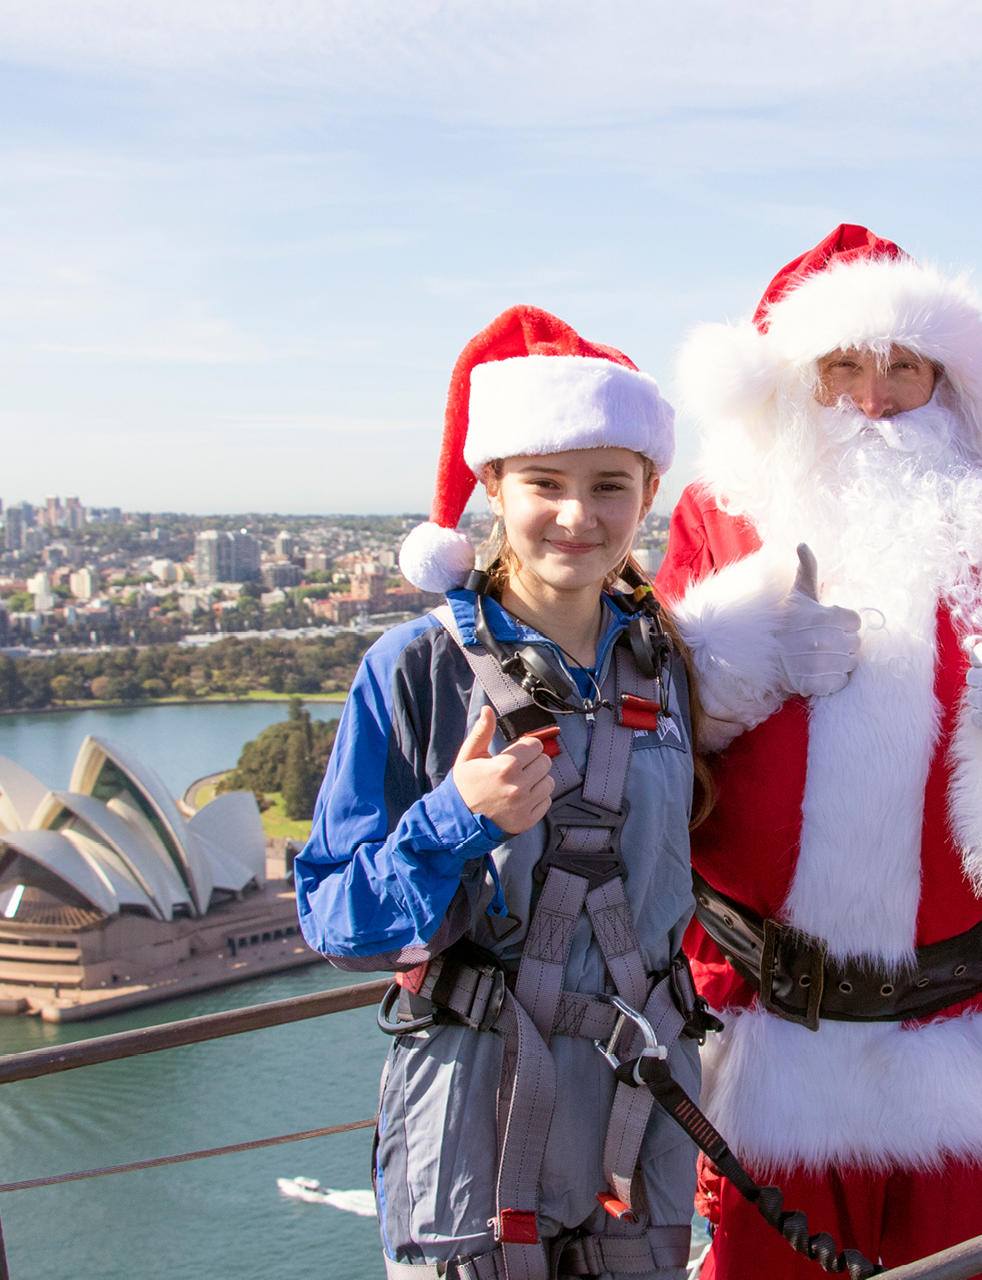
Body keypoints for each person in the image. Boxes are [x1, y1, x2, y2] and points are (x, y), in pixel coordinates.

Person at [653, 224, 982, 1278]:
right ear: (795, 379)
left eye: (903, 367)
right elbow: (656, 731)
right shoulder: (715, 512)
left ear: (947, 378)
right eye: (840, 366)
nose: (874, 398)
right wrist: (732, 663)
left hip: (978, 1021)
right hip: (771, 1021)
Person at [296, 306, 703, 1280]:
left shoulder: (665, 664)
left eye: (609, 485)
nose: (577, 514)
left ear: (648, 489)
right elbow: (329, 914)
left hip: (633, 1107)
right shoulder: (414, 669)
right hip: (476, 1116)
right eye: (544, 484)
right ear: (493, 488)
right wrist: (452, 820)